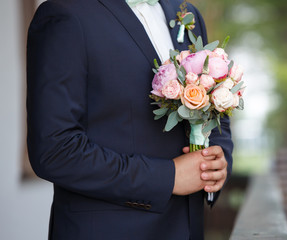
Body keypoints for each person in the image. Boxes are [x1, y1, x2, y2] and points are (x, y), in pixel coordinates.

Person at [26, 0, 233, 239]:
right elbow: (54, 150)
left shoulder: (186, 13)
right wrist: (168, 177)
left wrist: (218, 163)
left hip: (187, 229)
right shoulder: (65, 14)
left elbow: (215, 102)